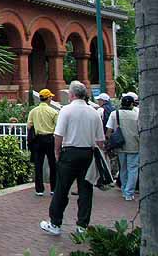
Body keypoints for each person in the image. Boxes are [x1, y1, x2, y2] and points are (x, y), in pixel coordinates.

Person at [40, 81, 105, 237]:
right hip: (88, 154)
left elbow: (58, 135)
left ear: (72, 94)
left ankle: (55, 223)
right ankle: (82, 225)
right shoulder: (94, 112)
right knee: (86, 190)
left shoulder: (66, 111)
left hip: (69, 153)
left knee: (62, 189)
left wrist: (57, 153)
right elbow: (100, 141)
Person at [106, 95, 139, 201]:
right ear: (131, 104)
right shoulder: (137, 114)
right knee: (133, 169)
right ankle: (129, 192)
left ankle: (124, 189)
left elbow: (109, 131)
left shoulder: (114, 114)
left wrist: (109, 142)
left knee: (123, 168)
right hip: (134, 145)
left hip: (120, 145)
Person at [27, 88, 59, 196]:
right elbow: (58, 127)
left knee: (38, 164)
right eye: (50, 97)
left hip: (37, 139)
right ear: (48, 98)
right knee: (53, 164)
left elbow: (29, 125)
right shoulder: (53, 112)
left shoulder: (33, 111)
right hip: (50, 139)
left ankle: (39, 189)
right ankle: (53, 188)